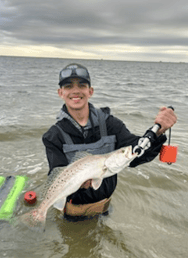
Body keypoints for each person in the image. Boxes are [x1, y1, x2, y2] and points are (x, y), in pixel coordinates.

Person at [42, 63, 177, 219]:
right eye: (68, 86)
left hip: (104, 208)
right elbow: (56, 172)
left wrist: (159, 132)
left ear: (90, 91)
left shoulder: (111, 124)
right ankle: (40, 214)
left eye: (82, 84)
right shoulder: (53, 135)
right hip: (73, 213)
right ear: (60, 93)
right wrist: (81, 184)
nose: (75, 90)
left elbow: (135, 153)